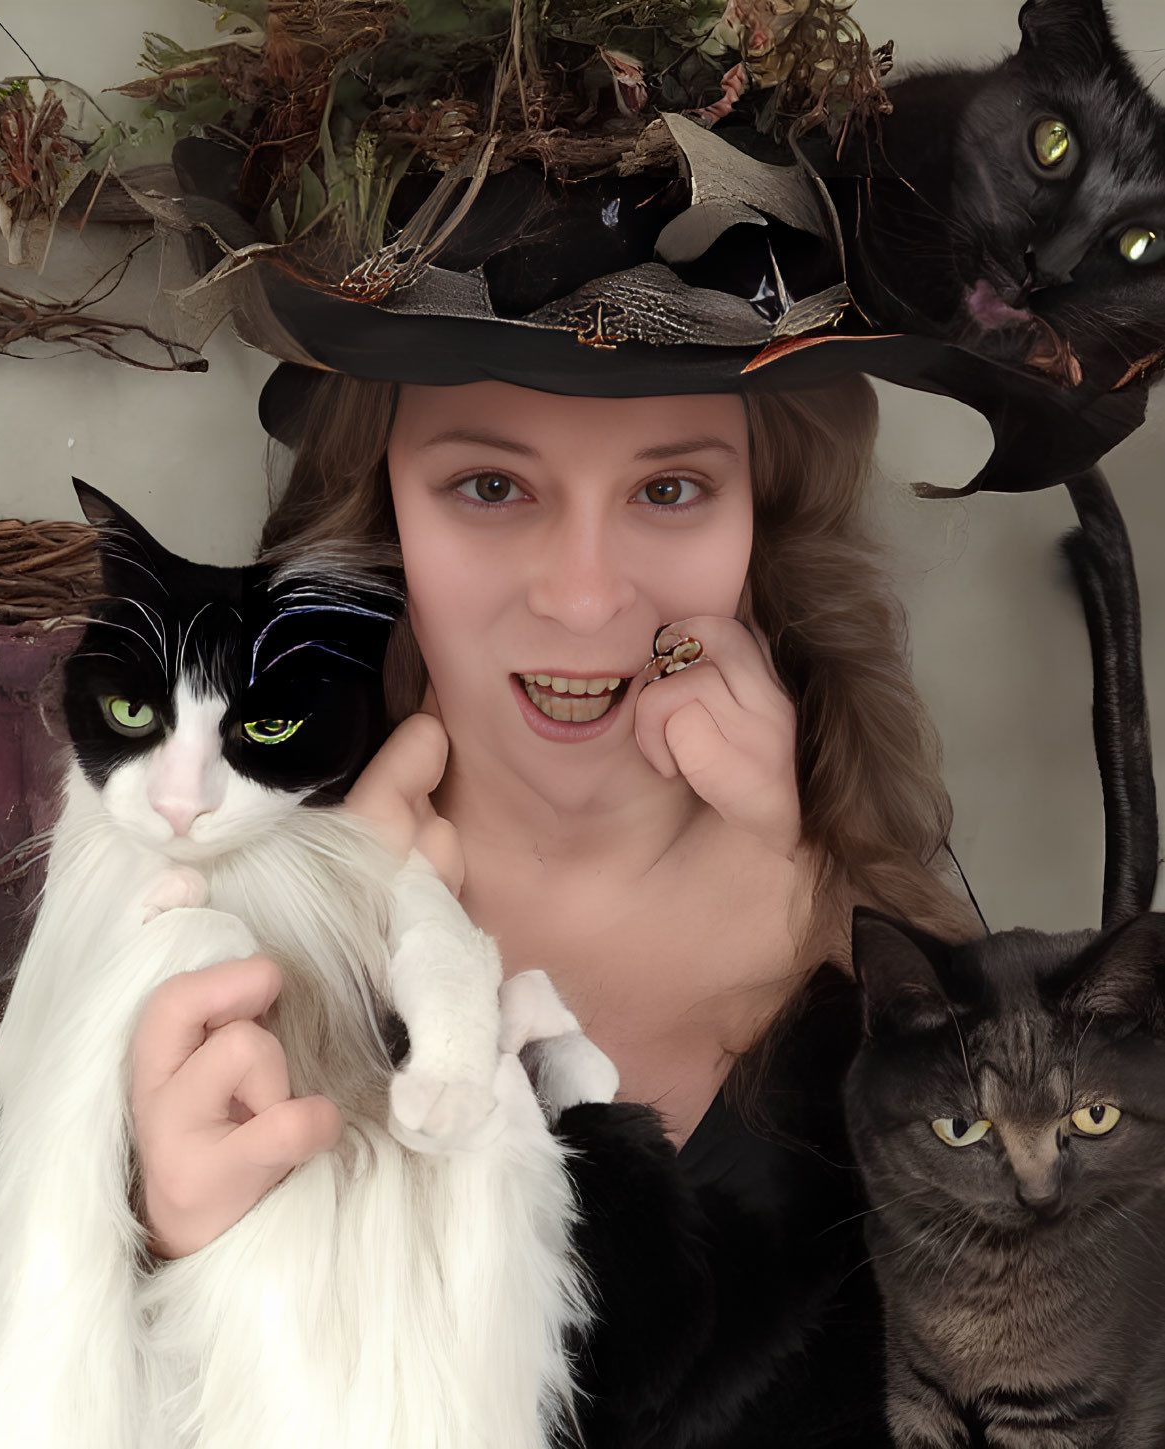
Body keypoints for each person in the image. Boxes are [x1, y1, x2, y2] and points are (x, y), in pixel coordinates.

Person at [129, 370, 981, 1444]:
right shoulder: (206, 959)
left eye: (669, 491)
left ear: (760, 520)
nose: (584, 599)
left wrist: (828, 895)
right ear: (382, 517)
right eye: (490, 485)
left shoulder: (915, 979)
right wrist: (187, 1266)